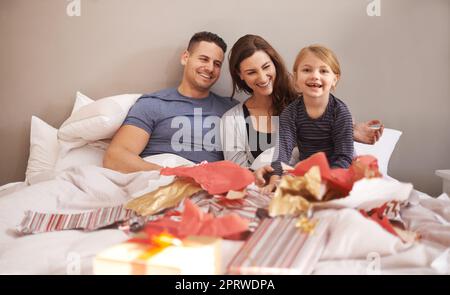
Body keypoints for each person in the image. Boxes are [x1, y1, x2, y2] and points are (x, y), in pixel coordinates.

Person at [221, 35, 384, 170]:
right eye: (251, 72)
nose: (262, 77)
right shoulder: (232, 120)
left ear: (275, 64)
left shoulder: (304, 100)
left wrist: (350, 131)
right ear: (240, 74)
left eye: (266, 67)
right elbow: (238, 173)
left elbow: (333, 142)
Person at [103, 31, 238, 173]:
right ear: (185, 58)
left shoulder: (230, 110)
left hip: (209, 185)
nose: (210, 68)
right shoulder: (153, 104)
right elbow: (115, 157)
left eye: (217, 64)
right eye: (204, 59)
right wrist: (176, 174)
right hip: (159, 180)